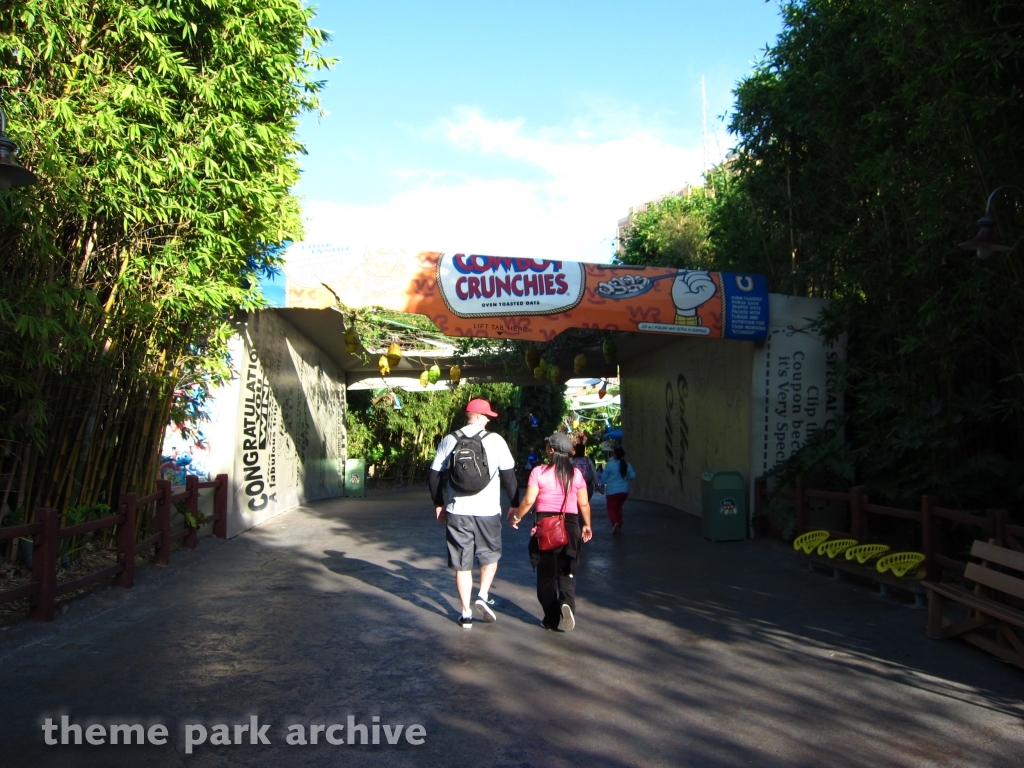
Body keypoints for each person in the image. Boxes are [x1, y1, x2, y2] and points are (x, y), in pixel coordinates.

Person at [428, 398, 519, 629]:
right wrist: (514, 504)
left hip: (458, 510)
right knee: (490, 555)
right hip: (488, 511)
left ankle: (466, 613)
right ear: (477, 416)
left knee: (462, 563)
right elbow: (509, 475)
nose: (489, 419)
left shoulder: (449, 439)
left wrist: (439, 503)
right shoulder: (496, 440)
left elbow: (434, 475)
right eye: (487, 416)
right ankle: (483, 594)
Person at [508, 432, 593, 631]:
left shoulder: (539, 472)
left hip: (546, 527)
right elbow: (584, 504)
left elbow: (529, 501)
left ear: (552, 450)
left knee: (546, 577)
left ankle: (551, 618)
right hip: (570, 526)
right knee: (567, 571)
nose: (546, 448)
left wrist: (517, 518)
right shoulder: (576, 474)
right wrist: (587, 525)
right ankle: (566, 604)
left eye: (547, 446)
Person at [601, 446, 635, 535]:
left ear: (615, 455)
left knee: (611, 508)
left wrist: (602, 485)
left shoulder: (609, 465)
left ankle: (615, 522)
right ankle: (619, 524)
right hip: (624, 490)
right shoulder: (627, 465)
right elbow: (633, 476)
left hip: (612, 491)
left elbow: (604, 478)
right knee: (619, 507)